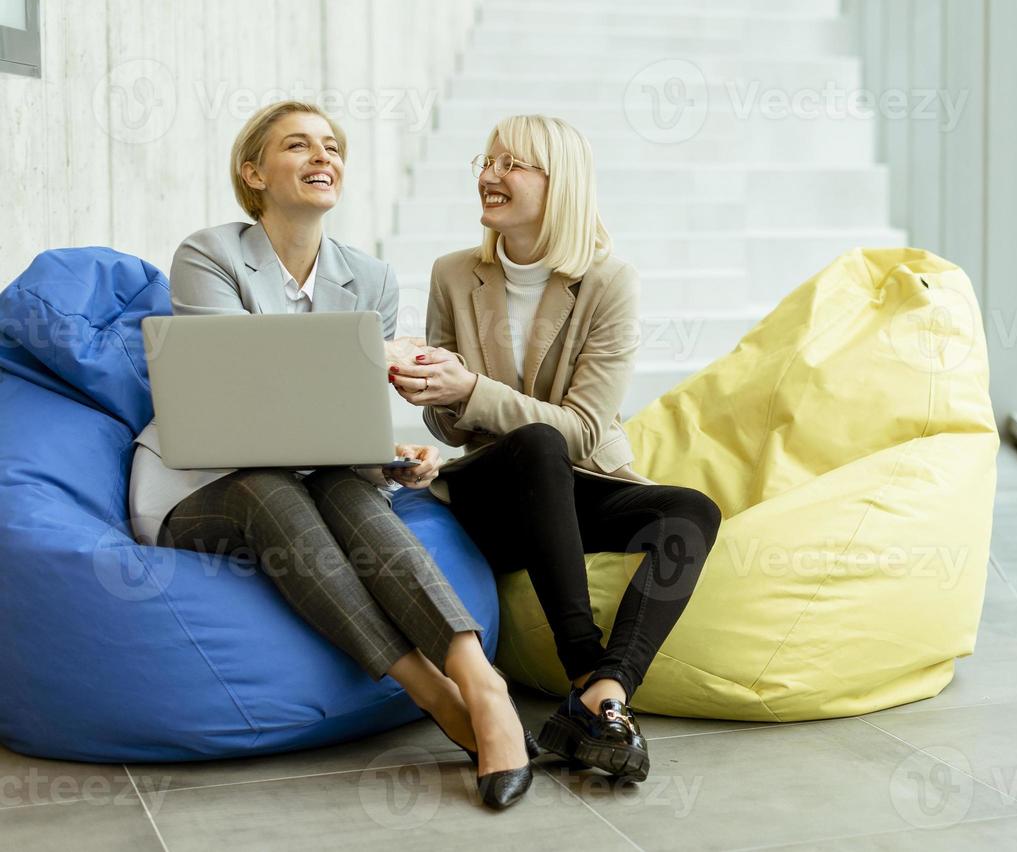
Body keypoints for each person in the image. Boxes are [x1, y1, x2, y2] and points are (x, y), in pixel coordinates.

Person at [128, 101, 534, 810]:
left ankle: (481, 684)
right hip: (203, 483)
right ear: (253, 172)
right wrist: (373, 357)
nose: (324, 157)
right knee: (268, 488)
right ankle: (430, 692)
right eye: (298, 146)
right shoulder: (209, 255)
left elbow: (340, 424)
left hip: (319, 477)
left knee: (352, 491)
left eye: (333, 146)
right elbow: (238, 393)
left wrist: (390, 458)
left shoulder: (369, 278)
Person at [390, 114, 723, 783]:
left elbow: (587, 431)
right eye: (486, 161)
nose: (489, 175)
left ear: (558, 182)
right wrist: (435, 391)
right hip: (489, 495)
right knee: (535, 444)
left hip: (575, 478)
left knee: (692, 511)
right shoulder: (454, 274)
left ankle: (604, 694)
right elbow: (453, 431)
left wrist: (471, 388)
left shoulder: (608, 282)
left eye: (511, 164)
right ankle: (581, 663)